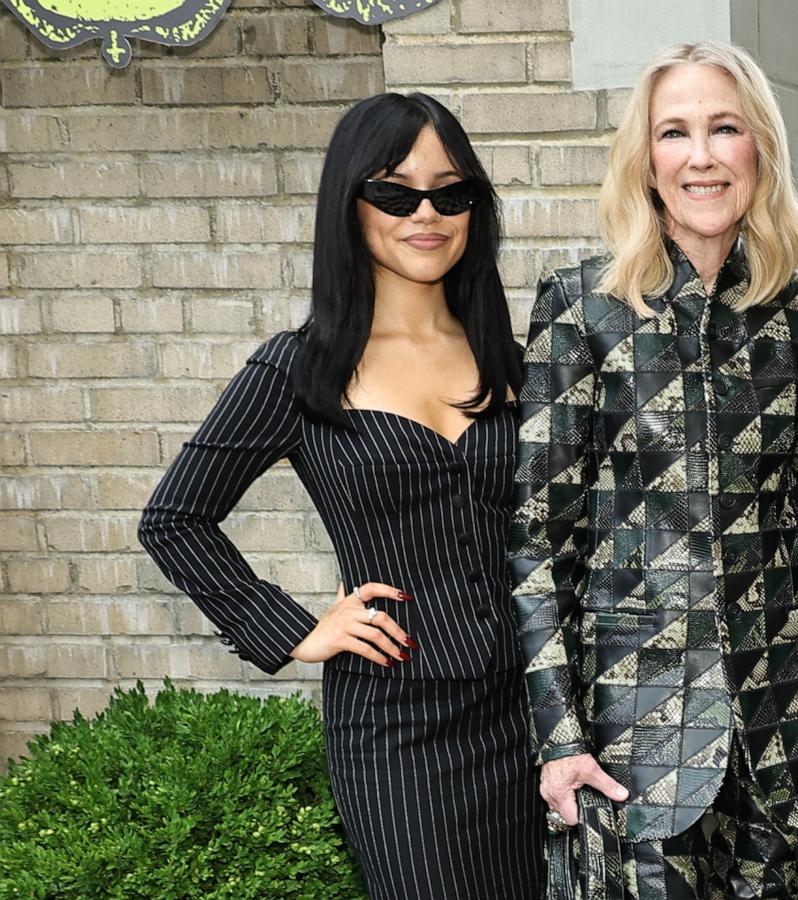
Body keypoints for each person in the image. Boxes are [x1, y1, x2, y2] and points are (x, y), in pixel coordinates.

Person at [139, 92, 537, 900]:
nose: (427, 213)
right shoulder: (301, 367)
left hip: (529, 716)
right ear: (349, 204)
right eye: (396, 192)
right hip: (397, 730)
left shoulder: (517, 361)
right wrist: (296, 628)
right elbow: (174, 520)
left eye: (451, 192)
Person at [508, 40, 798, 900]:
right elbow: (538, 539)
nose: (701, 156)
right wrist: (558, 737)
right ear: (645, 159)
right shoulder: (582, 306)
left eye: (724, 128)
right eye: (675, 132)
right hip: (631, 748)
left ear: (759, 148)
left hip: (783, 738)